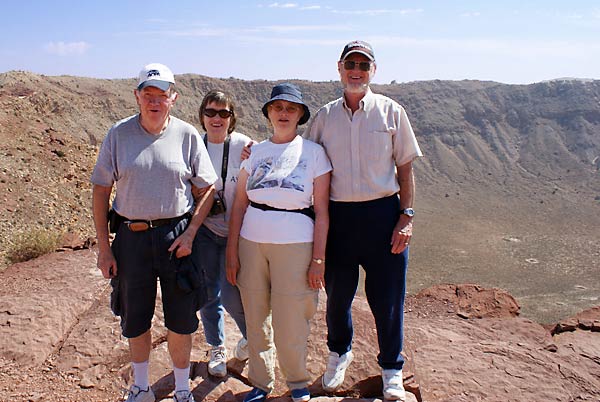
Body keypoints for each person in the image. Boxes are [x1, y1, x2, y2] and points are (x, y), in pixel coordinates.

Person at [304, 41, 423, 401]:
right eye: (350, 64)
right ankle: (339, 352)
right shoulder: (324, 117)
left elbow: (405, 168)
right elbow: (304, 161)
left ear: (373, 70)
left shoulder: (391, 112)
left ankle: (391, 371)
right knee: (338, 296)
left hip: (383, 216)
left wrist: (406, 216)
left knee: (387, 299)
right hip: (338, 218)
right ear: (339, 68)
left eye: (364, 64)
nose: (356, 70)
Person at [91, 63, 218, 402]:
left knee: (181, 319)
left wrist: (191, 233)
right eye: (148, 93)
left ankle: (180, 390)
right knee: (136, 317)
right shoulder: (118, 134)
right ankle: (142, 387)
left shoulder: (187, 135)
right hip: (130, 239)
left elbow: (208, 189)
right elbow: (101, 189)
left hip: (175, 237)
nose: (155, 101)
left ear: (173, 98)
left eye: (162, 94)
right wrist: (105, 250)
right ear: (137, 96)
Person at [226, 83, 332, 402]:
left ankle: (297, 381)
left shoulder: (314, 154)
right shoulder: (255, 153)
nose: (283, 113)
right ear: (268, 113)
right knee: (256, 318)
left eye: (290, 108)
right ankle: (261, 382)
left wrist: (318, 259)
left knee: (292, 320)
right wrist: (232, 252)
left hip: (296, 244)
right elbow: (240, 205)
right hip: (251, 242)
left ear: (300, 115)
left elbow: (324, 211)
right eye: (277, 108)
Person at [194, 90, 253, 377]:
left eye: (224, 113)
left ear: (232, 118)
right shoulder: (194, 144)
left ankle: (252, 339)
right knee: (208, 294)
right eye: (211, 112)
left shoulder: (244, 145)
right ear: (202, 116)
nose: (217, 118)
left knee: (233, 295)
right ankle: (216, 346)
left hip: (238, 233)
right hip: (205, 231)